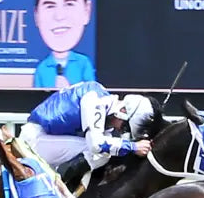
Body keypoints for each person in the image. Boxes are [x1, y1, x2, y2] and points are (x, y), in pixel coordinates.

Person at [19, 80, 155, 189]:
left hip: (46, 139)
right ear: (122, 111)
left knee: (104, 151)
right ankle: (61, 191)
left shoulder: (103, 108)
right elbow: (97, 145)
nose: (121, 130)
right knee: (100, 151)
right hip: (35, 139)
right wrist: (133, 147)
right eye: (125, 126)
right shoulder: (95, 99)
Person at [32, 0, 95, 89]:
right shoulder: (42, 68)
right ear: (36, 15)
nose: (59, 16)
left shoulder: (83, 64)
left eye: (69, 4)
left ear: (87, 11)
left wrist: (70, 90)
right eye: (50, 6)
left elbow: (93, 94)